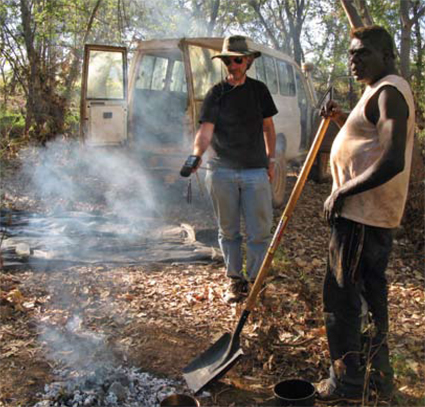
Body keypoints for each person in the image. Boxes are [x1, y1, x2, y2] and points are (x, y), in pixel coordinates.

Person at [316, 25, 415, 403]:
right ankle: (377, 377)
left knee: (342, 301)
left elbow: (390, 160)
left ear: (387, 55)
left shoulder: (390, 92)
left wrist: (343, 190)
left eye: (363, 54)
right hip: (366, 217)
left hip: (362, 218)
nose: (354, 61)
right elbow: (368, 144)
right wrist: (342, 119)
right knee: (370, 298)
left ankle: (347, 384)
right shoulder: (376, 91)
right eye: (351, 54)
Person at [190, 35, 278, 303]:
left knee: (259, 232)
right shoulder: (216, 93)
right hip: (222, 173)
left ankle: (256, 283)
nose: (232, 65)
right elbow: (205, 132)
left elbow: (268, 128)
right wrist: (196, 155)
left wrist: (270, 160)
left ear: (248, 61)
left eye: (237, 60)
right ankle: (234, 282)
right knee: (228, 231)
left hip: (254, 172)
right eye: (228, 60)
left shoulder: (259, 90)